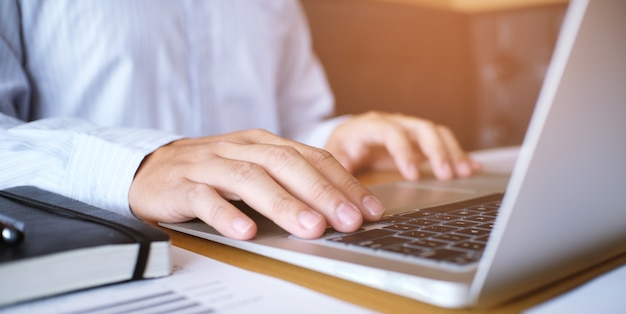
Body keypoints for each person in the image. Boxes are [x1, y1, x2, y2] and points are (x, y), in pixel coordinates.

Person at [0, 0, 480, 241]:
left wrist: (331, 138)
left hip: (275, 245)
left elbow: (290, 119)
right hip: (111, 253)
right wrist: (135, 165)